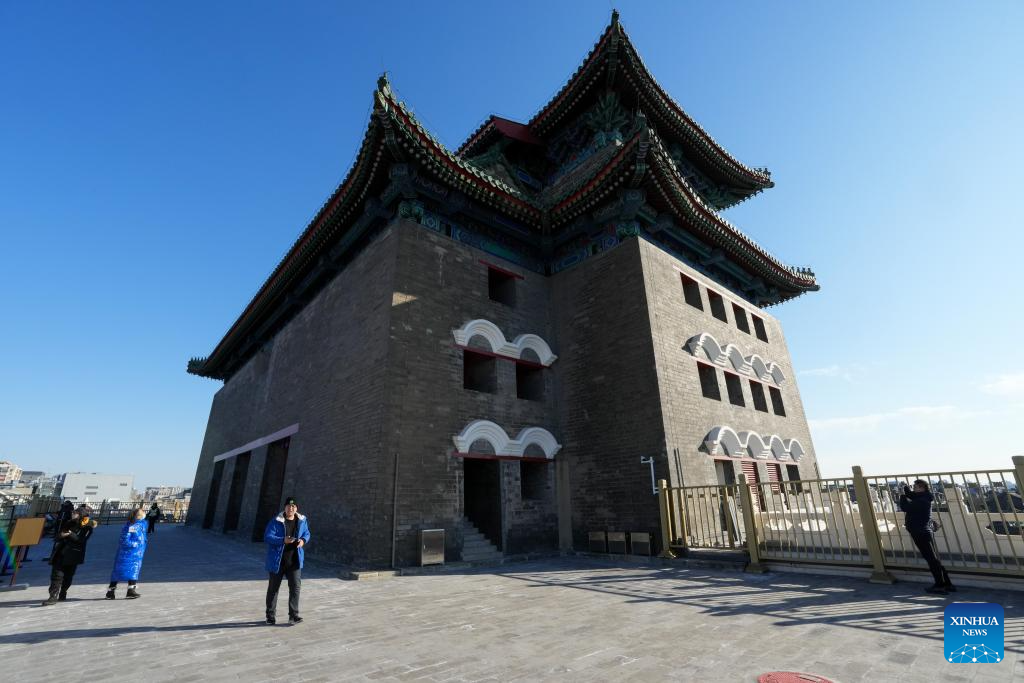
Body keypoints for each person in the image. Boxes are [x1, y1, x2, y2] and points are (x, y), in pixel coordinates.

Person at [900, 479, 955, 594]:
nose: (914, 489)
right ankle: (947, 584)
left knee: (931, 560)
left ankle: (940, 585)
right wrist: (905, 488)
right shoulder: (924, 497)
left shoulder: (922, 501)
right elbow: (911, 495)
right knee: (934, 559)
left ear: (922, 488)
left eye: (915, 487)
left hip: (920, 532)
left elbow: (905, 507)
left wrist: (902, 497)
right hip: (924, 532)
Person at [263, 496, 310, 625]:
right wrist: (282, 540)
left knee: (295, 588)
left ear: (296, 508)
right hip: (278, 561)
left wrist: (303, 541)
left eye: (293, 506)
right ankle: (270, 616)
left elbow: (307, 533)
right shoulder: (276, 521)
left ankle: (294, 615)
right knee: (273, 589)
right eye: (289, 506)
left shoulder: (302, 520)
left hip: (294, 561)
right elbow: (267, 537)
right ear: (284, 507)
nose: (291, 508)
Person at [42, 505, 97, 605]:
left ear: (80, 515)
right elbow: (59, 535)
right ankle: (53, 596)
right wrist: (61, 535)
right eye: (72, 513)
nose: (72, 514)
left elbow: (81, 540)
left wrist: (70, 534)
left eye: (74, 513)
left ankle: (63, 592)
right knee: (56, 575)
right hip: (61, 551)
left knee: (68, 575)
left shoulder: (87, 526)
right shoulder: (68, 522)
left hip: (74, 553)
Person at [106, 508, 148, 600]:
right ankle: (111, 591)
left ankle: (130, 591)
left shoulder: (140, 525)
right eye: (143, 512)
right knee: (119, 572)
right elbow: (124, 540)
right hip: (127, 553)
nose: (145, 513)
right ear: (138, 515)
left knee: (134, 571)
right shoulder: (131, 526)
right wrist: (135, 545)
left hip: (136, 554)